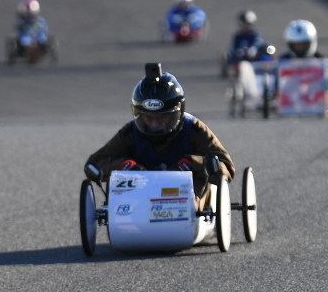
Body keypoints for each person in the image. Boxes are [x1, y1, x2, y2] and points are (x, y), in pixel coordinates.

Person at [85, 63, 235, 209]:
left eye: (161, 119)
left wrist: (192, 163)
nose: (154, 124)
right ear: (138, 114)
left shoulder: (194, 128)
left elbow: (226, 167)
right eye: (148, 119)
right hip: (140, 197)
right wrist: (124, 165)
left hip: (187, 199)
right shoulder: (131, 132)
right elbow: (94, 164)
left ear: (177, 113)